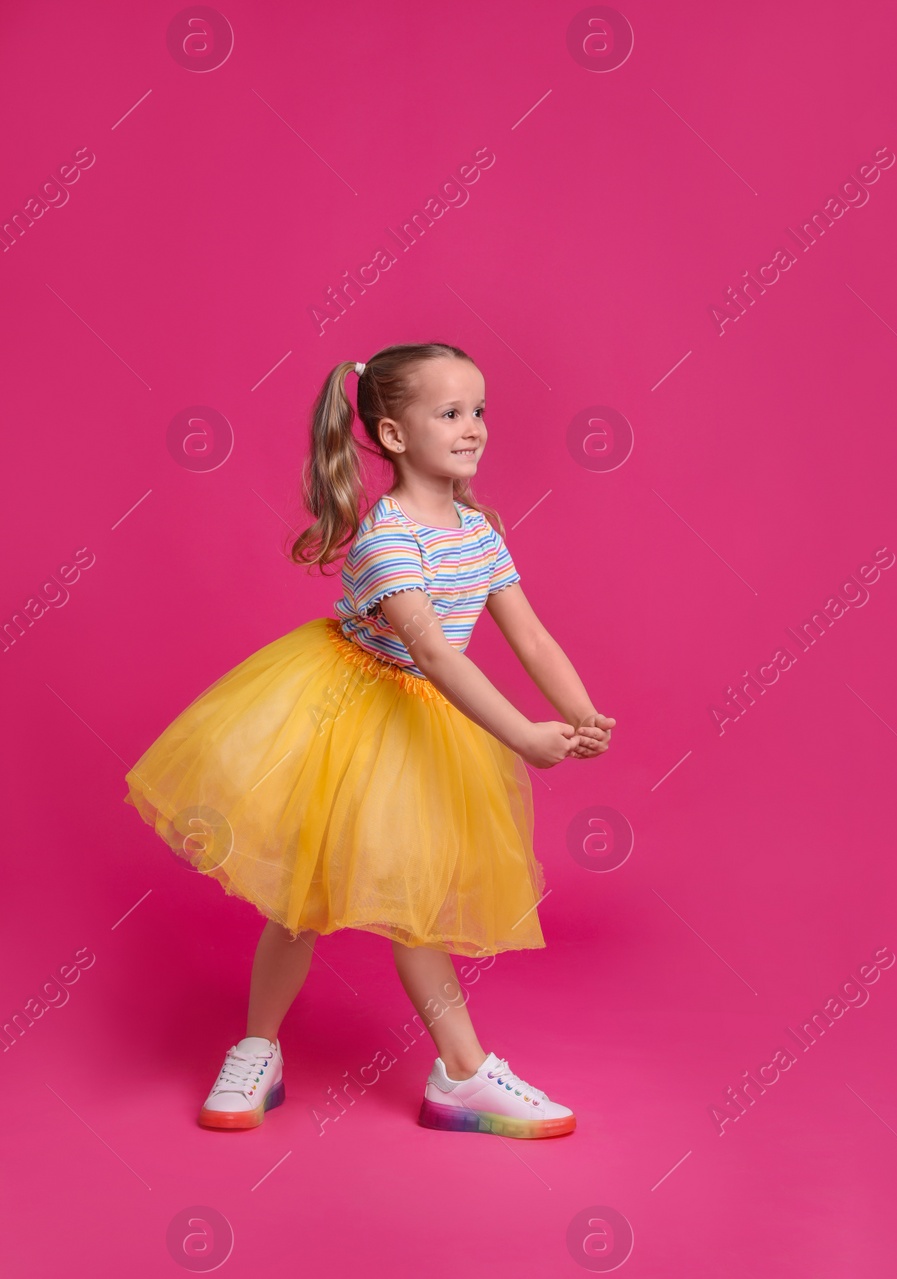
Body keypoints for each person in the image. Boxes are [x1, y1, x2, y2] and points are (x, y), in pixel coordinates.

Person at [124, 342, 615, 1140]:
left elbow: (528, 634)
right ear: (392, 434)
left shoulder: (479, 530)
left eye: (480, 411)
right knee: (299, 900)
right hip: (344, 718)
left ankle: (461, 1071)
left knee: (416, 908)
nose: (475, 428)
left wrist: (580, 710)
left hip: (427, 728)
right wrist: (525, 733)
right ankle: (258, 1048)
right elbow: (432, 650)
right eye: (451, 413)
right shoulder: (389, 538)